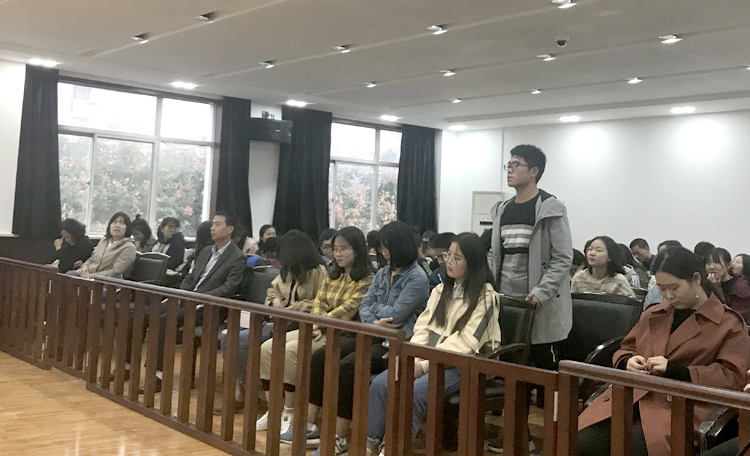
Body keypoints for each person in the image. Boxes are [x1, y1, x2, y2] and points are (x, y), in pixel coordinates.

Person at [577, 247, 750, 456]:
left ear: (696, 279)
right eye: (662, 288)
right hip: (633, 395)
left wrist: (679, 371)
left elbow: (732, 377)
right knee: (581, 441)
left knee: (635, 446)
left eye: (674, 287)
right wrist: (628, 361)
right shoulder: (654, 313)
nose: (668, 295)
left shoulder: (728, 323)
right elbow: (627, 347)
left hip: (682, 406)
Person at [289, 221, 430, 453]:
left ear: (400, 246)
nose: (383, 252)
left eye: (386, 247)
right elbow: (365, 306)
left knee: (348, 367)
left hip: (396, 342)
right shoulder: (383, 273)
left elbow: (396, 315)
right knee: (322, 355)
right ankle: (311, 424)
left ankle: (340, 437)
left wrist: (375, 311)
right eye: (381, 247)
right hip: (372, 332)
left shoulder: (417, 278)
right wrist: (374, 320)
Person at [366, 233, 502, 455]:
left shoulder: (486, 297)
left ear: (473, 262)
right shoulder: (440, 290)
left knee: (413, 392)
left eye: (457, 258)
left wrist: (424, 365)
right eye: (448, 255)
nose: (449, 262)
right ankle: (369, 444)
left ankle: (392, 449)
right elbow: (423, 328)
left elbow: (465, 344)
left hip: (466, 365)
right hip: (431, 358)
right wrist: (414, 357)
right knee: (382, 383)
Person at [257, 226, 374, 434]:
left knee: (291, 350)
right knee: (267, 348)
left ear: (357, 250)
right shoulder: (332, 274)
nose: (338, 254)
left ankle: (290, 412)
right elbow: (319, 301)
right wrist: (317, 322)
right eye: (335, 249)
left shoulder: (367, 279)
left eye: (343, 249)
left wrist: (320, 323)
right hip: (318, 327)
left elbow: (347, 309)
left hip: (340, 333)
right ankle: (273, 409)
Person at [217, 230, 328, 414]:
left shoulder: (319, 272)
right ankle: (242, 391)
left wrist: (296, 307)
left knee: (242, 341)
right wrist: (274, 300)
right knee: (227, 338)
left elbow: (321, 302)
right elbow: (272, 290)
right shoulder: (287, 271)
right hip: (279, 321)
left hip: (300, 324)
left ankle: (253, 392)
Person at [490, 144, 573, 372]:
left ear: (534, 171)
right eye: (508, 165)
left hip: (538, 301)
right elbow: (494, 254)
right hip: (506, 301)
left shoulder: (550, 208)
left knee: (542, 371)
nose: (509, 170)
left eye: (516, 165)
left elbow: (562, 258)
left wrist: (540, 292)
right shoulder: (502, 209)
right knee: (510, 368)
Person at [152, 212, 246, 386]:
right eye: (212, 224)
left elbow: (229, 287)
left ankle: (158, 375)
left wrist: (202, 297)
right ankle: (140, 367)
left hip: (210, 305)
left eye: (218, 224)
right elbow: (191, 277)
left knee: (166, 319)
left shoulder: (237, 256)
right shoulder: (206, 251)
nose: (212, 228)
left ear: (230, 229)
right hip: (190, 299)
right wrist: (183, 293)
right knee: (152, 312)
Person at [68, 212, 136, 279]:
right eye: (115, 222)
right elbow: (92, 259)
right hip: (89, 274)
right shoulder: (104, 240)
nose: (117, 225)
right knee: (68, 275)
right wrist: (84, 268)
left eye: (122, 223)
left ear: (127, 228)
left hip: (107, 280)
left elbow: (115, 271)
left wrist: (91, 276)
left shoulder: (129, 247)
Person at [705, 248, 750, 322]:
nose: (711, 267)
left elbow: (735, 318)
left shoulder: (740, 287)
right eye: (708, 263)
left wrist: (716, 288)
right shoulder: (704, 283)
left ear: (729, 265)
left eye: (717, 262)